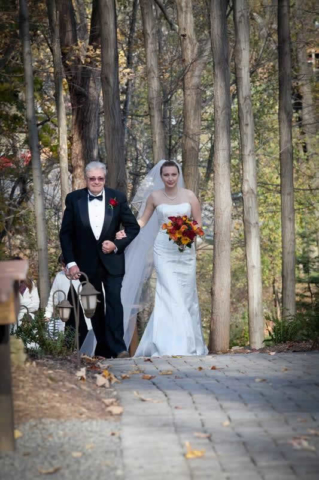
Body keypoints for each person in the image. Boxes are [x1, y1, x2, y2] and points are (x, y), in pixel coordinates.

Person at [118, 160, 208, 357]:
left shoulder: (189, 196)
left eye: (173, 174)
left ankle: (189, 343)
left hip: (185, 251)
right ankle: (168, 346)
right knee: (169, 293)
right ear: (161, 176)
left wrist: (188, 232)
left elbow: (199, 226)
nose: (170, 178)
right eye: (166, 175)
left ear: (178, 175)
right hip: (163, 251)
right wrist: (126, 232)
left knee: (186, 295)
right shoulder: (155, 196)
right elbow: (141, 222)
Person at [60, 161, 140, 358]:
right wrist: (71, 263)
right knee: (94, 305)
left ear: (105, 179)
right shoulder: (73, 199)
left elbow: (133, 227)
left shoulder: (117, 198)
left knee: (114, 301)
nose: (96, 182)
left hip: (112, 261)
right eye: (92, 178)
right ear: (86, 179)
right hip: (86, 264)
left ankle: (119, 348)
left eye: (100, 178)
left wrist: (116, 244)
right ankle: (103, 348)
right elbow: (66, 234)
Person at [44, 254, 94, 352]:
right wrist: (48, 313)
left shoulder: (82, 275)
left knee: (84, 338)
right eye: (62, 266)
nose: (63, 268)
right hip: (67, 315)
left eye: (64, 266)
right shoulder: (60, 276)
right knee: (68, 339)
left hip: (83, 315)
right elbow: (53, 296)